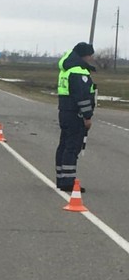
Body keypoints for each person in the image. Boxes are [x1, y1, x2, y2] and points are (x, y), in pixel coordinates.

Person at [55, 42, 96, 193]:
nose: (91, 58)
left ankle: (61, 177)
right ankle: (68, 181)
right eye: (90, 55)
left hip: (65, 111)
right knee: (72, 147)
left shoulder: (66, 69)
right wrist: (87, 117)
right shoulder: (79, 71)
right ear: (84, 55)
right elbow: (83, 97)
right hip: (75, 114)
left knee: (64, 145)